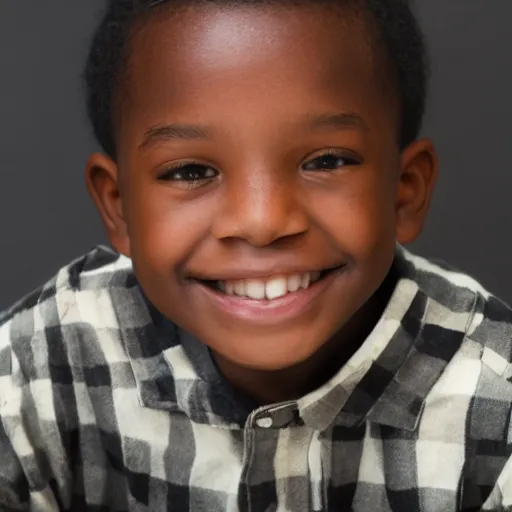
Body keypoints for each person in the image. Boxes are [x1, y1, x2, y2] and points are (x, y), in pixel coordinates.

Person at [1, 0, 511, 510]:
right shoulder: (39, 369)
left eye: (326, 161)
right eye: (190, 171)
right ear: (119, 208)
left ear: (404, 190)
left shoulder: (497, 403)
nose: (262, 222)